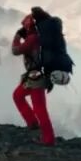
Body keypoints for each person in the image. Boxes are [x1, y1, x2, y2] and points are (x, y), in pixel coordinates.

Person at [11, 11, 56, 146]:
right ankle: (32, 123)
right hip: (34, 77)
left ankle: (48, 139)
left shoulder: (32, 39)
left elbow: (16, 51)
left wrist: (17, 37)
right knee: (18, 96)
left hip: (35, 78)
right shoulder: (39, 38)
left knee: (40, 109)